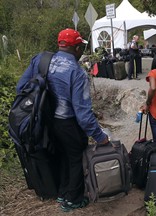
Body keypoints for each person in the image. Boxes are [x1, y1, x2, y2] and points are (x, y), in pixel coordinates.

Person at [16, 28, 109, 212]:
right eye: (80, 47)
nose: (81, 51)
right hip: (67, 122)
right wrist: (100, 137)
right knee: (75, 157)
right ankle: (73, 200)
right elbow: (83, 115)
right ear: (75, 48)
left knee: (60, 155)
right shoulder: (77, 72)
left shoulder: (40, 60)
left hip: (44, 121)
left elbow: (22, 87)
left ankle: (62, 192)